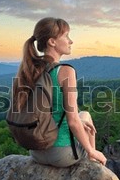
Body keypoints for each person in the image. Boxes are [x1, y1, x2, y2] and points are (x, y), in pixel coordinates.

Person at [12, 17, 107, 167]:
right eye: (66, 36)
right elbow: (73, 121)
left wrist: (79, 121)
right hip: (61, 155)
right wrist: (90, 150)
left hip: (36, 152)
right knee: (85, 116)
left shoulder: (31, 69)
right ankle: (92, 163)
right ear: (52, 42)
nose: (71, 41)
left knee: (82, 118)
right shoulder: (65, 71)